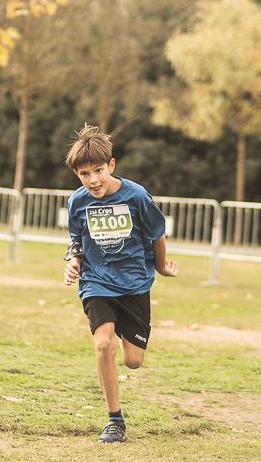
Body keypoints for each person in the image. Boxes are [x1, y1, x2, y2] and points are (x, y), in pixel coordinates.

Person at [61, 124, 177, 443]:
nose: (93, 180)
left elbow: (157, 234)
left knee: (132, 361)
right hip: (96, 282)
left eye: (98, 170)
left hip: (135, 284)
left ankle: (126, 340)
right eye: (85, 174)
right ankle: (115, 420)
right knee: (102, 345)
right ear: (77, 175)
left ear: (111, 166)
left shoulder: (137, 197)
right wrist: (72, 261)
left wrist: (161, 268)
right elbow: (75, 239)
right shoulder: (77, 202)